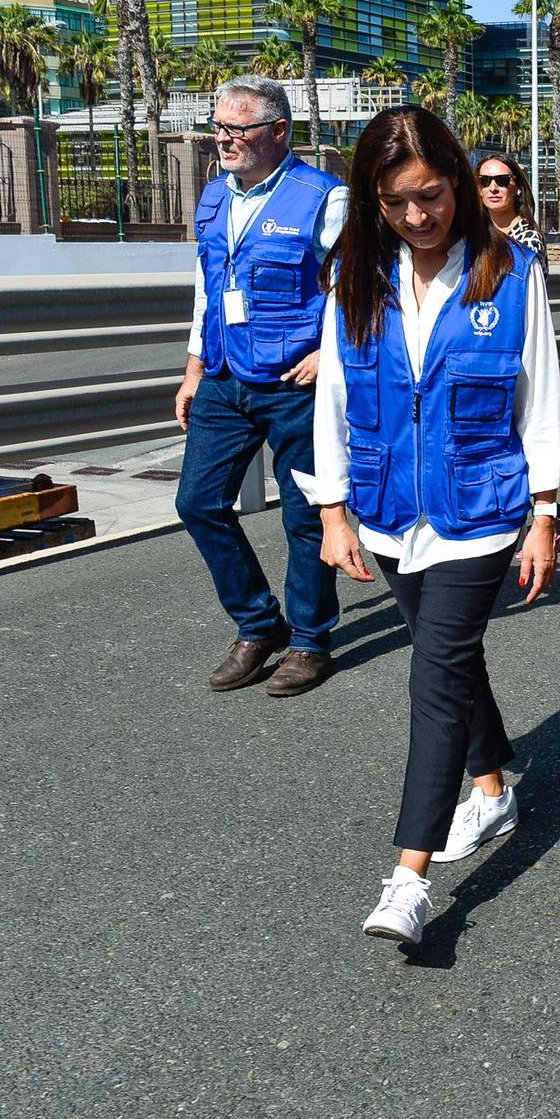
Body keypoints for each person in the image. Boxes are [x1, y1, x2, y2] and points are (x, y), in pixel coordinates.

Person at [293, 105, 560, 946]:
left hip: (479, 514)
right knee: (452, 659)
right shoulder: (357, 280)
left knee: (435, 677)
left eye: (432, 195)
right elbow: (334, 398)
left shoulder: (510, 274)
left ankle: (408, 880)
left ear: (457, 181)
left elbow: (540, 400)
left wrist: (546, 512)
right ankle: (493, 786)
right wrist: (332, 511)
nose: (418, 216)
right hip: (384, 511)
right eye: (397, 201)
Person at [173, 75, 347, 698]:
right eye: (219, 128)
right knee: (197, 502)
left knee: (306, 517)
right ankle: (257, 624)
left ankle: (309, 640)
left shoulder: (325, 199)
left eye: (237, 129)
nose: (223, 140)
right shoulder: (216, 197)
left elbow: (364, 284)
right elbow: (207, 288)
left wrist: (332, 351)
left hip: (294, 380)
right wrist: (194, 368)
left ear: (278, 132)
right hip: (224, 374)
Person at [476, 153, 544, 250]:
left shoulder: (528, 241)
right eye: (484, 181)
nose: (493, 188)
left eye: (502, 180)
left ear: (518, 187)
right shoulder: (473, 237)